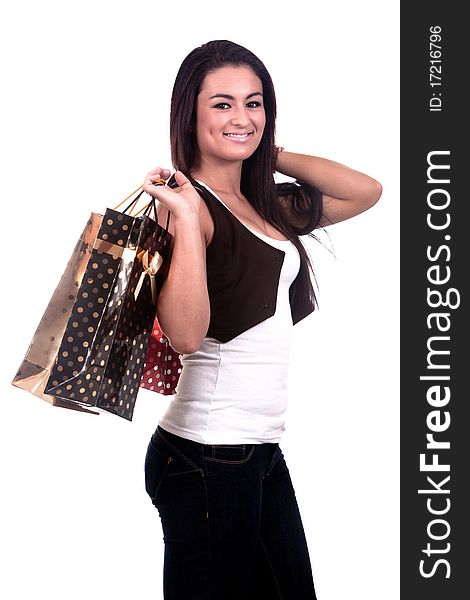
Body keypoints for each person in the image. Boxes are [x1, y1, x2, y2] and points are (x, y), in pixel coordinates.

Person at [142, 39, 382, 600]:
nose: (242, 117)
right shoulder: (186, 203)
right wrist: (184, 215)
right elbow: (184, 334)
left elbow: (365, 191)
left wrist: (262, 151)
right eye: (222, 104)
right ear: (189, 111)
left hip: (256, 450)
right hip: (206, 455)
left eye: (254, 103)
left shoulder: (264, 202)